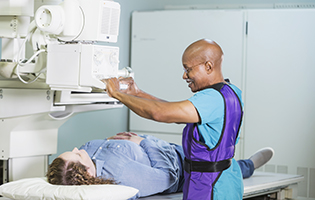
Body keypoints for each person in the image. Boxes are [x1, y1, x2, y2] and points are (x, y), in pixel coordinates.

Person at [103, 39, 245, 199]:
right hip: (225, 180)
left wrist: (116, 94)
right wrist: (138, 94)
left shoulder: (211, 98)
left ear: (208, 66)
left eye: (188, 69)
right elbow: (175, 112)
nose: (184, 75)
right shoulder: (230, 91)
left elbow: (160, 113)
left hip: (209, 185)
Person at [47, 132, 274, 199]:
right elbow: (167, 178)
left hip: (167, 148)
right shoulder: (120, 174)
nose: (78, 149)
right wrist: (143, 142)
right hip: (182, 165)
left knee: (216, 151)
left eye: (74, 149)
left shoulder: (87, 155)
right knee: (225, 167)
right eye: (76, 154)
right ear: (86, 171)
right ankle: (248, 166)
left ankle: (241, 163)